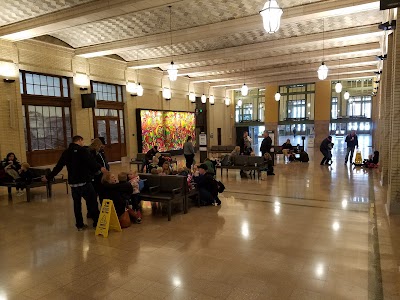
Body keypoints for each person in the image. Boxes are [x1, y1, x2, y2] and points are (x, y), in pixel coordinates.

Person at [43, 135, 106, 231]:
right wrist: (100, 168)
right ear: (80, 140)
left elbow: (58, 167)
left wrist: (48, 177)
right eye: (82, 141)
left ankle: (79, 225)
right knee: (92, 202)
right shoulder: (83, 151)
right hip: (84, 182)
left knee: (77, 205)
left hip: (73, 184)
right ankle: (97, 223)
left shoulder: (66, 152)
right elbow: (91, 162)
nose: (83, 143)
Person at [88, 138, 110, 204]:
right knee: (99, 192)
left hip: (103, 173)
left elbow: (104, 161)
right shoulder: (92, 153)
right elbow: (93, 164)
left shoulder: (100, 152)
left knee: (103, 192)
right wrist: (99, 170)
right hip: (97, 175)